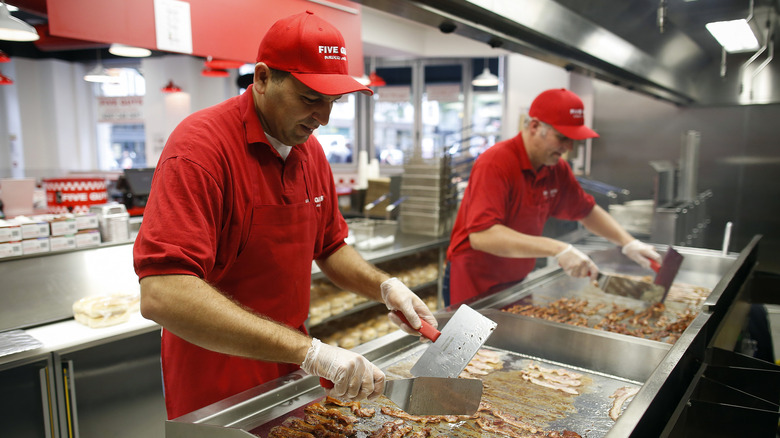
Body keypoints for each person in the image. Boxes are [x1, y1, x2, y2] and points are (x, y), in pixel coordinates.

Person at [133, 11, 436, 419]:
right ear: (261, 78)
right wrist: (311, 352)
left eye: (333, 102)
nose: (323, 119)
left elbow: (329, 247)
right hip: (215, 370)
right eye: (311, 99)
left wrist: (385, 287)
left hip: (289, 363)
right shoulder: (199, 150)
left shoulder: (310, 152)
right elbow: (162, 294)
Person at [446, 88, 661, 305]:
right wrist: (559, 249)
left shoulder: (556, 169)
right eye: (562, 138)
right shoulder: (496, 162)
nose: (568, 147)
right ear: (535, 126)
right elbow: (483, 236)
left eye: (573, 140)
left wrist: (628, 243)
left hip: (516, 280)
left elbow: (586, 211)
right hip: (474, 284)